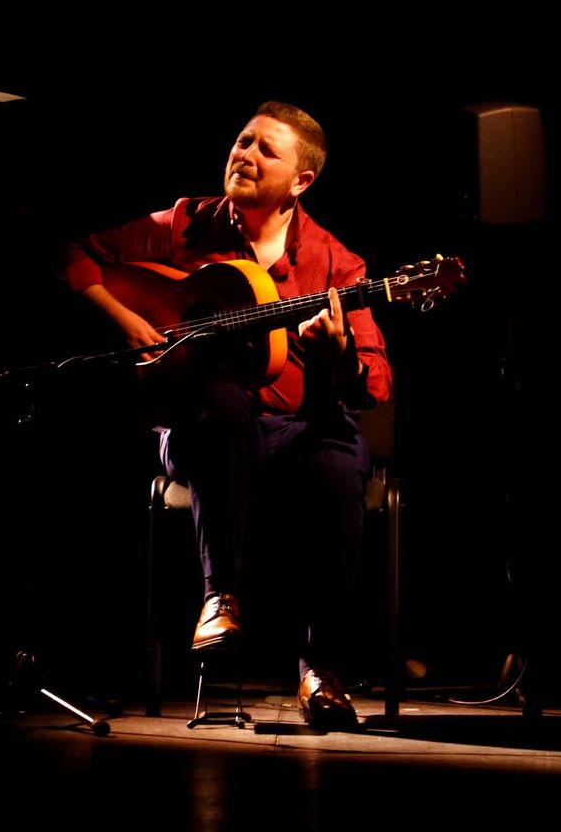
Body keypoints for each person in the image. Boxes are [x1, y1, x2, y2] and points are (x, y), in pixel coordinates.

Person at [59, 100, 391, 728]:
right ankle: (221, 595)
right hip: (201, 429)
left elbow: (375, 381)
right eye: (244, 141)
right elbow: (73, 254)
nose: (246, 154)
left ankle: (319, 668)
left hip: (296, 431)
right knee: (221, 399)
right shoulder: (185, 223)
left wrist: (338, 356)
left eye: (267, 150)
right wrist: (125, 319)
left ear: (301, 182)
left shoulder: (336, 265)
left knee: (341, 462)